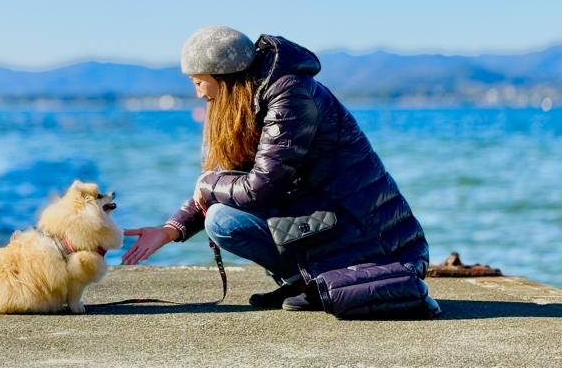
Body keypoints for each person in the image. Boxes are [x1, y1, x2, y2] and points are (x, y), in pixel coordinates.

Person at [123, 26, 440, 319]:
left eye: (198, 81)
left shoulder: (291, 96)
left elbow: (259, 188)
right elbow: (229, 179)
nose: (199, 93)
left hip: (369, 236)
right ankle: (307, 282)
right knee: (221, 215)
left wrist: (207, 184)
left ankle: (314, 282)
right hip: (325, 219)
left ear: (224, 75)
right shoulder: (254, 99)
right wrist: (169, 229)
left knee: (223, 220)